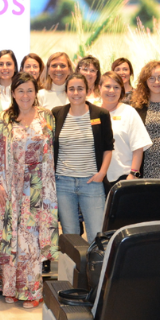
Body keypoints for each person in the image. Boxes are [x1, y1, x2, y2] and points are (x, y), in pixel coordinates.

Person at [0, 73, 58, 309]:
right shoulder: (2, 119)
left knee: (31, 240)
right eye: (20, 90)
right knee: (9, 237)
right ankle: (9, 287)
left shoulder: (47, 116)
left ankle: (32, 291)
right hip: (9, 185)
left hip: (38, 187)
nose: (25, 95)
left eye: (30, 90)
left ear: (35, 92)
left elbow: (51, 152)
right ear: (13, 93)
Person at [52, 73, 113, 244]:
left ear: (87, 90)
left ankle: (96, 263)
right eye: (71, 89)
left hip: (91, 183)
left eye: (80, 88)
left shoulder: (100, 114)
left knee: (97, 236)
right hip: (63, 183)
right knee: (71, 236)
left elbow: (108, 148)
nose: (76, 93)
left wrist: (102, 173)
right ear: (66, 91)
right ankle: (74, 264)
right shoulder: (57, 113)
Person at [99, 71, 152, 192]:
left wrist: (133, 175)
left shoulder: (129, 112)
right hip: (96, 179)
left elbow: (138, 147)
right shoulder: (93, 112)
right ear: (99, 87)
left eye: (116, 87)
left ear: (121, 91)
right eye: (107, 86)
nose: (111, 90)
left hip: (123, 178)